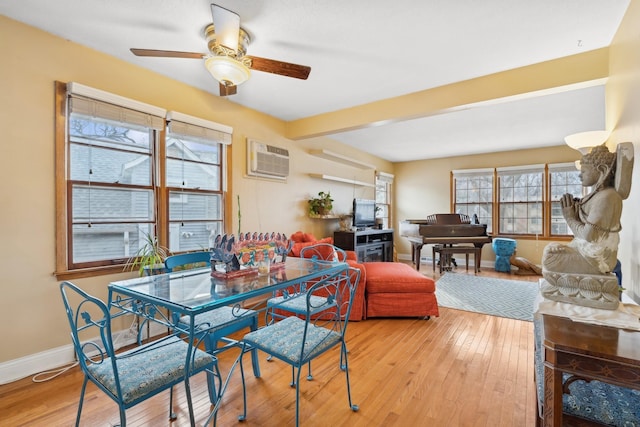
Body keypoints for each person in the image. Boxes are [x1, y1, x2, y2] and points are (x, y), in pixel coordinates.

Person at [542, 144, 622, 276]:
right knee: (550, 250)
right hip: (585, 249)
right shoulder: (598, 195)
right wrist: (576, 210)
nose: (580, 176)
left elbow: (588, 236)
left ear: (602, 170)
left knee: (550, 258)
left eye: (583, 171)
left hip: (597, 258)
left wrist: (570, 217)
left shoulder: (608, 197)